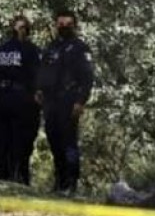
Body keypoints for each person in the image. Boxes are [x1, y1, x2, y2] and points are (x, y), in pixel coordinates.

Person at [36, 10, 94, 195]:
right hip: (51, 101)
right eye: (60, 24)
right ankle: (59, 181)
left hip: (69, 100)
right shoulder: (51, 47)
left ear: (74, 25)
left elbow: (87, 78)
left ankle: (71, 182)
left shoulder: (80, 48)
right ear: (56, 25)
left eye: (67, 24)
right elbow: (42, 72)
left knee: (68, 142)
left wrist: (80, 101)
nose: (63, 27)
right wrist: (38, 89)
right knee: (53, 140)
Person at [0, 15, 41, 185]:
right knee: (13, 138)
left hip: (13, 97)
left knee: (12, 138)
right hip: (16, 98)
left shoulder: (4, 49)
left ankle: (13, 175)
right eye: (21, 27)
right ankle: (15, 175)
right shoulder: (31, 50)